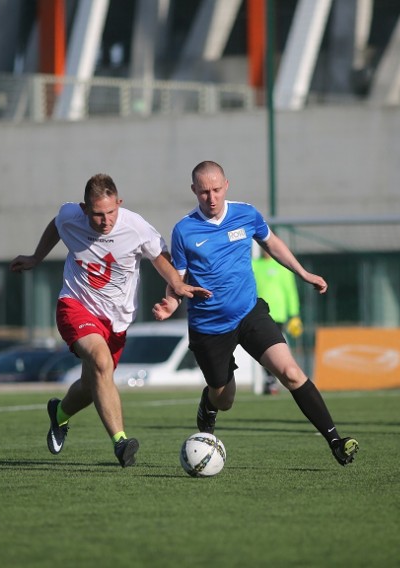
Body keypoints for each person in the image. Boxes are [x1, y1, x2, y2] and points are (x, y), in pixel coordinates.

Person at [153, 160, 359, 466]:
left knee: (291, 373)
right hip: (209, 327)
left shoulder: (246, 213)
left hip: (249, 313)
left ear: (226, 186)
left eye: (216, 190)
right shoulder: (184, 230)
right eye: (204, 192)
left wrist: (303, 273)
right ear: (194, 190)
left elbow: (272, 243)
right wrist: (171, 301)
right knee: (226, 398)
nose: (211, 198)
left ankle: (336, 441)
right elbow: (178, 277)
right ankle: (208, 404)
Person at [9, 173, 209, 468]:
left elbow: (159, 256)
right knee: (102, 363)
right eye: (97, 215)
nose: (105, 221)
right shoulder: (70, 216)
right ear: (84, 208)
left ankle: (59, 413)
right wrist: (38, 257)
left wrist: (176, 287)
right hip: (75, 306)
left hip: (117, 320)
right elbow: (57, 225)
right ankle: (120, 442)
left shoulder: (135, 226)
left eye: (111, 212)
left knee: (93, 385)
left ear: (120, 203)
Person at [252, 244, 303, 394]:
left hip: (278, 314)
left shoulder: (281, 267)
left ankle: (278, 379)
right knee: (261, 348)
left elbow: (290, 290)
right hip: (257, 312)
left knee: (276, 349)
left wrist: (294, 314)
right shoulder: (253, 265)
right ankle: (270, 380)